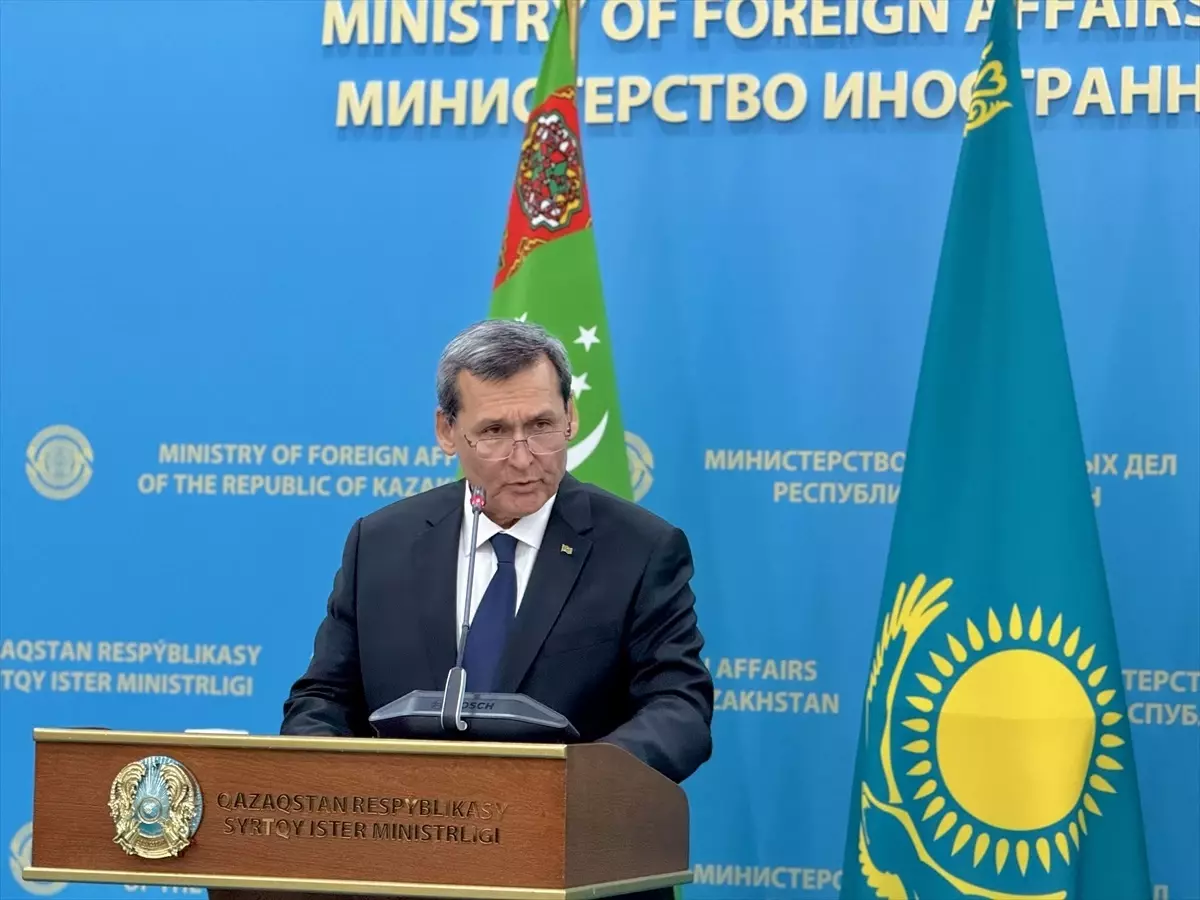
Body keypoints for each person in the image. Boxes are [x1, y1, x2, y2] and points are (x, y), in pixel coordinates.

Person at [280, 318, 714, 790]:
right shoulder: (381, 543)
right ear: (447, 431)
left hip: (566, 821)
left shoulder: (640, 548)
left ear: (571, 416)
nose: (523, 458)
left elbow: (679, 708)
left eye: (541, 426)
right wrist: (349, 790)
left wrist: (577, 782)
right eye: (494, 432)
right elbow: (321, 700)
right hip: (401, 820)